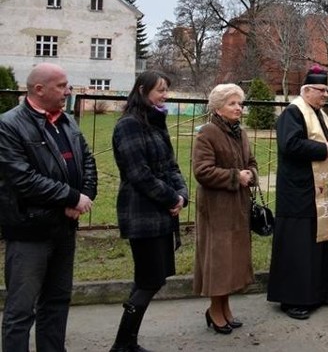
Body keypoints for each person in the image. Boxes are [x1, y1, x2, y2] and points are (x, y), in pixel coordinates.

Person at [0, 63, 98, 352]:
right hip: (30, 230)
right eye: (61, 85)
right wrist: (70, 198)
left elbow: (88, 161)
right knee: (21, 309)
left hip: (64, 228)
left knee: (56, 302)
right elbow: (23, 179)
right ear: (39, 89)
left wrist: (82, 199)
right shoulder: (9, 125)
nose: (68, 91)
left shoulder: (67, 121)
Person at [109, 71, 188, 351]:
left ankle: (126, 341)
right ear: (142, 90)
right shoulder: (129, 125)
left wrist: (181, 195)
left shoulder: (155, 122)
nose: (165, 95)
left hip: (162, 212)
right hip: (142, 213)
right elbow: (138, 174)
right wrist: (170, 198)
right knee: (149, 279)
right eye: (160, 90)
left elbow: (172, 166)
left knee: (150, 279)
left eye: (167, 90)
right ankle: (122, 344)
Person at [267, 66, 328, 320]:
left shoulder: (320, 113)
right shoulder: (293, 113)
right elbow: (290, 144)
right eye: (321, 90)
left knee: (316, 245)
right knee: (297, 247)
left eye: (326, 90)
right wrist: (325, 150)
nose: (325, 94)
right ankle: (293, 299)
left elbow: (326, 143)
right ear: (307, 90)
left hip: (318, 192)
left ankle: (318, 292)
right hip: (298, 192)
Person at [192, 84, 258, 334]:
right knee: (219, 261)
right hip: (216, 208)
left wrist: (250, 175)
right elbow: (202, 171)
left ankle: (225, 307)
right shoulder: (208, 133)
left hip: (238, 206)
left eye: (240, 103)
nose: (238, 108)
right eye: (232, 103)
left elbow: (251, 162)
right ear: (218, 107)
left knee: (233, 261)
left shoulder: (239, 133)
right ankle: (214, 310)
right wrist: (234, 177)